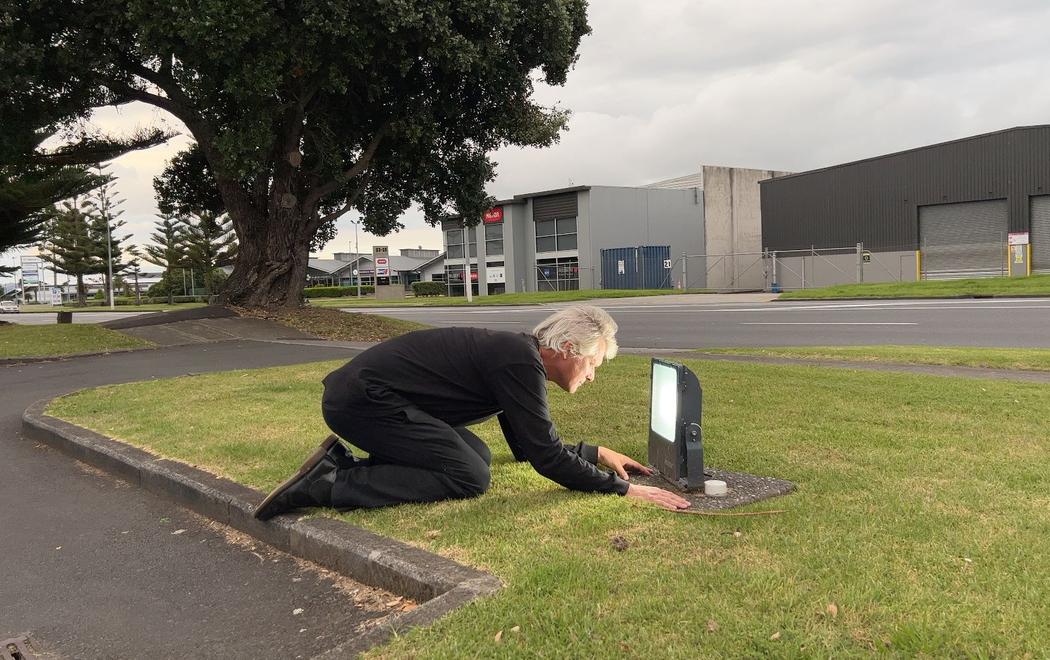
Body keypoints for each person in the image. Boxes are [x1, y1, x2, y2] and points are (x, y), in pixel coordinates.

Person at [254, 305, 690, 520]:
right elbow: (544, 457)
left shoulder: (516, 356)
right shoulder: (518, 359)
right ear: (569, 349)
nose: (592, 375)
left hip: (368, 400)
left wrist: (594, 451)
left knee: (475, 456)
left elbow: (525, 446)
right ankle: (329, 484)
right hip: (362, 401)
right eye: (594, 363)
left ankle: (342, 462)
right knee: (470, 475)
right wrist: (621, 490)